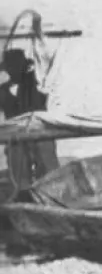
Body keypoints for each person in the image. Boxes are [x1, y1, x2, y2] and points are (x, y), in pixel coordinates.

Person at [1, 49, 60, 195]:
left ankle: (52, 199)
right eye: (10, 67)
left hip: (40, 135)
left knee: (49, 173)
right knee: (18, 175)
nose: (13, 70)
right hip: (16, 138)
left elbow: (45, 63)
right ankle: (24, 198)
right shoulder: (2, 90)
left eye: (16, 66)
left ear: (24, 66)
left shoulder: (36, 83)